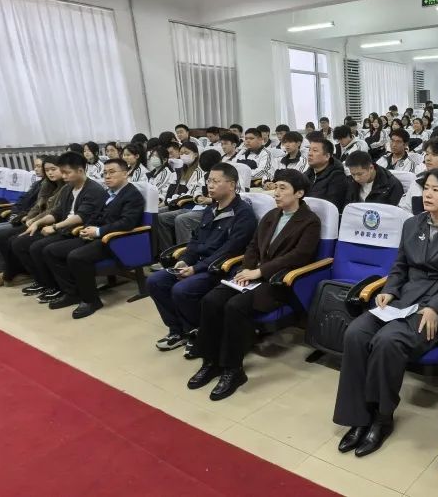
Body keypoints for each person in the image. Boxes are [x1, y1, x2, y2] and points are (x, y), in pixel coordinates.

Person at [334, 167, 438, 457]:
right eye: (426, 188)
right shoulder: (413, 223)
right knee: (356, 333)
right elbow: (400, 265)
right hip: (404, 297)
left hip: (436, 303)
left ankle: (381, 417)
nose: (428, 194)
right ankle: (358, 416)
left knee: (388, 341)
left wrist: (435, 306)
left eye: (436, 189)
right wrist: (389, 289)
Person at [191, 169, 322, 400]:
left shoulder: (309, 221)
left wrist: (259, 272)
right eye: (276, 187)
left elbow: (298, 256)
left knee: (235, 306)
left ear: (299, 193)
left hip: (279, 282)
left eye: (283, 188)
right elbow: (252, 246)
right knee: (211, 300)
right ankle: (211, 361)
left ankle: (233, 370)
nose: (276, 193)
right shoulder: (272, 215)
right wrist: (246, 270)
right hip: (253, 275)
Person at [149, 162, 258, 352]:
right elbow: (195, 240)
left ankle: (199, 332)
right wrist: (185, 260)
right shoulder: (211, 209)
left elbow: (229, 251)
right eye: (209, 181)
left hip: (219, 267)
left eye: (216, 181)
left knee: (182, 290)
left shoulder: (243, 214)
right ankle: (177, 330)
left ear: (231, 185)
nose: (210, 185)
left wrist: (195, 269)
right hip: (198, 264)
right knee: (155, 281)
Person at [42, 158, 146, 318]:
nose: (107, 176)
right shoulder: (110, 193)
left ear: (125, 174)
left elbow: (127, 223)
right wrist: (86, 228)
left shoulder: (132, 195)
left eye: (112, 172)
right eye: (105, 173)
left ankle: (91, 300)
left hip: (115, 241)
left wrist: (98, 231)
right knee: (51, 251)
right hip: (98, 237)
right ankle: (72, 293)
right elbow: (97, 215)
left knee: (76, 257)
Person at [3, 152, 107, 299]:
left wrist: (55, 227)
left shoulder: (93, 189)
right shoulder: (68, 188)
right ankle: (45, 282)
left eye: (66, 172)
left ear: (80, 170)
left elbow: (80, 217)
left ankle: (61, 287)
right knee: (20, 242)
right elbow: (56, 213)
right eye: (62, 172)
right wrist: (37, 222)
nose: (63, 176)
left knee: (40, 248)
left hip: (76, 231)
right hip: (64, 228)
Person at [0, 157, 61, 285]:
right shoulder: (46, 184)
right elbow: (36, 205)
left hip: (49, 222)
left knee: (11, 239)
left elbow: (54, 211)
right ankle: (8, 272)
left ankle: (11, 274)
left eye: (53, 169)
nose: (50, 173)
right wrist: (29, 217)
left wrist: (34, 220)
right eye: (47, 170)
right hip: (33, 219)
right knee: (1, 236)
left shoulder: (65, 187)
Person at [400, 136, 438, 213]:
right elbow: (405, 210)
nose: (428, 159)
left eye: (434, 154)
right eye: (427, 154)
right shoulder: (417, 182)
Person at [303, 132, 350, 210]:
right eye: (309, 150)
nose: (310, 154)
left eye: (315, 150)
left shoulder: (337, 177)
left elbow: (331, 207)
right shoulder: (307, 174)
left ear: (327, 156)